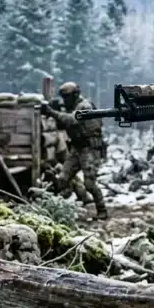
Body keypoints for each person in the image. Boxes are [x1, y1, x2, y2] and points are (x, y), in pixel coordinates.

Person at [41, 82, 108, 220]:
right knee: (63, 178)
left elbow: (72, 120)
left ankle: (102, 210)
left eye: (67, 97)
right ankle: (50, 209)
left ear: (75, 95)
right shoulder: (73, 107)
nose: (65, 100)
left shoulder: (85, 106)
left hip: (90, 149)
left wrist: (52, 112)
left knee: (90, 184)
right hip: (77, 149)